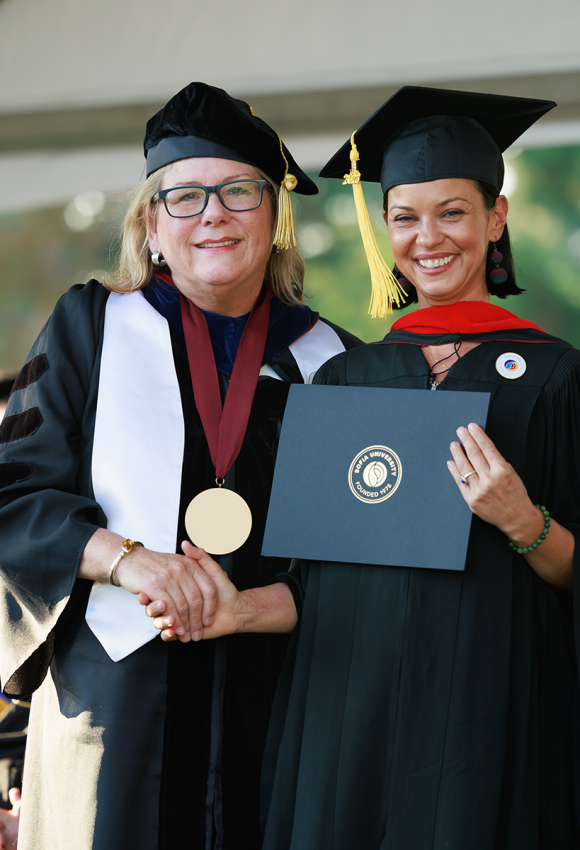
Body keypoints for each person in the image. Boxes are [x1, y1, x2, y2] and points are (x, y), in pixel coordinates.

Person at [148, 87, 580, 849]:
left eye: (453, 212)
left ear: (496, 218)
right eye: (406, 217)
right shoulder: (345, 381)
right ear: (385, 228)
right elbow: (319, 591)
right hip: (352, 728)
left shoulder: (560, 378)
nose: (428, 238)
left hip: (491, 723)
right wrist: (238, 611)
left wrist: (523, 519)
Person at [0, 81, 361, 850]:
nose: (214, 214)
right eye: (185, 197)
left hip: (283, 713)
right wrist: (131, 564)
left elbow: (357, 565)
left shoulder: (332, 363)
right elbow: (13, 495)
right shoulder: (90, 330)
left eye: (238, 192)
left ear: (274, 219)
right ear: (152, 228)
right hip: (118, 709)